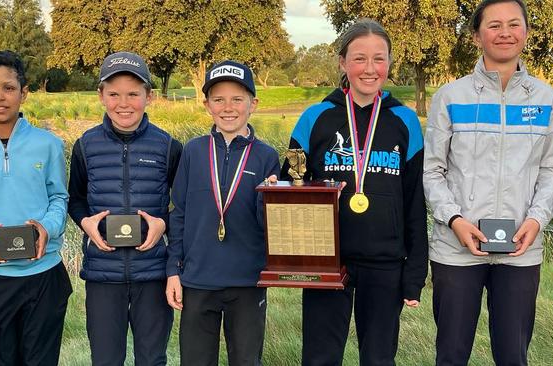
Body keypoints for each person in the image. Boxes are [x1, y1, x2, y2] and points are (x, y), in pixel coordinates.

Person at [422, 0, 553, 364]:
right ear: (476, 35)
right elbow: (433, 171)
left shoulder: (546, 99)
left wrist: (536, 221)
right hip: (456, 248)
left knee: (513, 355)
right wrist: (454, 220)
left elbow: (549, 171)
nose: (505, 33)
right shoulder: (450, 96)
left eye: (514, 24)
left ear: (526, 33)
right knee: (451, 354)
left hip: (520, 248)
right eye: (494, 25)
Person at [281, 18, 427, 365]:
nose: (369, 69)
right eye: (359, 58)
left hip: (385, 263)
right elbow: (291, 186)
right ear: (342, 63)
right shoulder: (314, 118)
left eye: (379, 58)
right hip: (327, 263)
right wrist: (293, 259)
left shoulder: (405, 122)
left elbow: (414, 200)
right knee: (320, 357)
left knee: (378, 359)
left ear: (390, 64)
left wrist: (415, 271)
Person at [68, 51, 182, 365]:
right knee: (105, 360)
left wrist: (164, 224)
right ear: (101, 96)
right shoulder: (85, 145)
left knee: (152, 358)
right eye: (114, 94)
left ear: (149, 96)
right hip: (103, 275)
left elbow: (184, 206)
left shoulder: (169, 146)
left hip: (153, 274)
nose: (124, 103)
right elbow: (75, 200)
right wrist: (86, 223)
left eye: (133, 94)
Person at [166, 60, 280, 366]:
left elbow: (268, 225)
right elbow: (178, 214)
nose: (228, 108)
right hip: (198, 278)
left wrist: (271, 198)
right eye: (218, 99)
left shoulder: (267, 156)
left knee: (245, 360)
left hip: (247, 279)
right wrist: (173, 271)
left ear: (253, 104)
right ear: (206, 105)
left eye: (237, 99)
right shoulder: (192, 150)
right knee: (196, 359)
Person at [0, 50, 71, 365]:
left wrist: (45, 228)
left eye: (8, 88)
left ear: (24, 92)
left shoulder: (48, 144)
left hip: (44, 276)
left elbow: (59, 198)